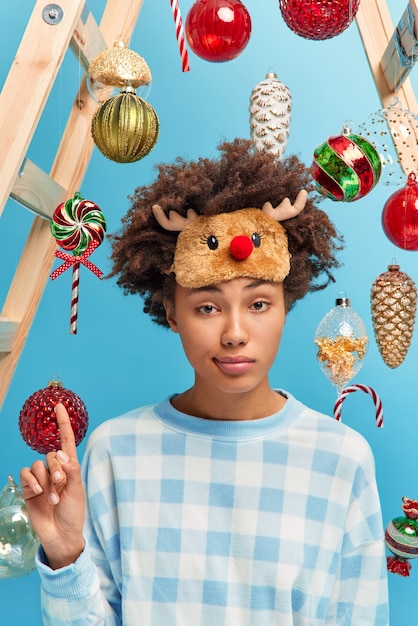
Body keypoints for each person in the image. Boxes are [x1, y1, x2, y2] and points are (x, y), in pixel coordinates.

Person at [20, 139, 389, 625]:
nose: (235, 334)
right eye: (208, 307)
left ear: (286, 305)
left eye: (258, 304)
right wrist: (66, 556)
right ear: (172, 311)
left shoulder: (343, 458)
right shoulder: (116, 451)